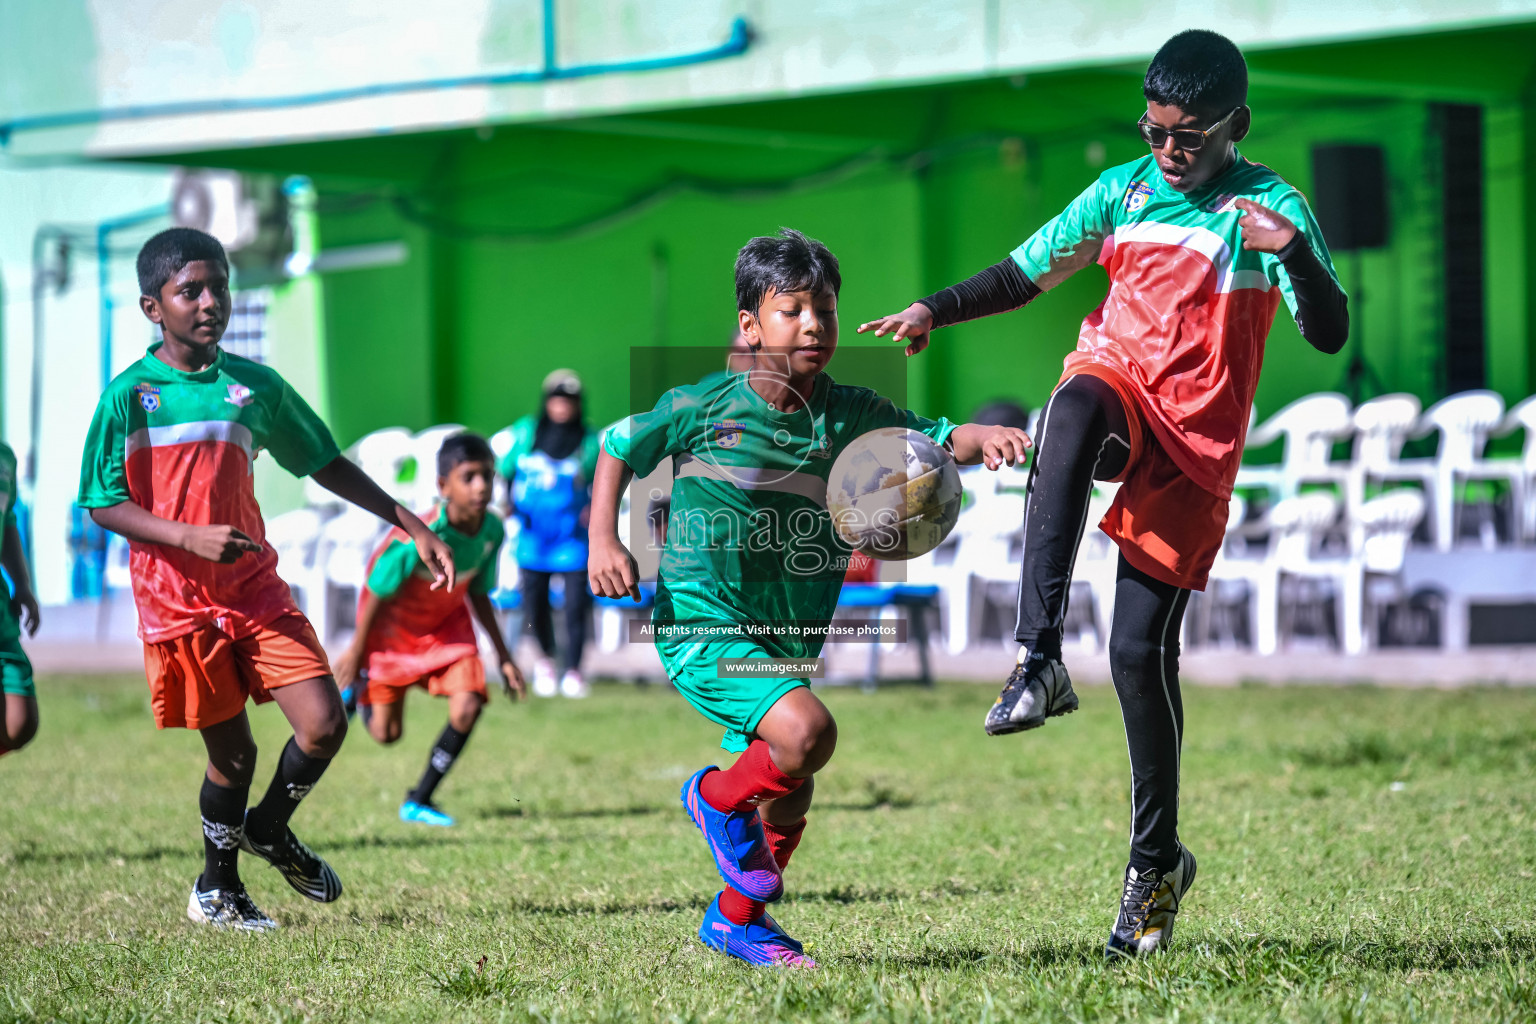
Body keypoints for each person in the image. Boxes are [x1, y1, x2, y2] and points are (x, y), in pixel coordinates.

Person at [859, 30, 1347, 958]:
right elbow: (1024, 271)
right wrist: (934, 307)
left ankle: (1155, 862)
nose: (1169, 149)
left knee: (1135, 653)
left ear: (1235, 125)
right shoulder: (1122, 190)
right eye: (1156, 129)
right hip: (1121, 389)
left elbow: (1328, 331)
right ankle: (1037, 654)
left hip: (1194, 449)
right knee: (1074, 402)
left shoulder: (1270, 208)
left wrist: (1298, 256)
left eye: (1189, 135)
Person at [589, 228, 1030, 968]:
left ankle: (738, 922)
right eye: (791, 309)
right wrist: (605, 539)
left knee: (791, 793)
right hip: (702, 620)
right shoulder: (701, 404)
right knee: (807, 736)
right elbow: (616, 445)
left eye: (823, 308)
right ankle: (710, 797)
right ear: (749, 326)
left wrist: (980, 435)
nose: (813, 325)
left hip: (788, 631)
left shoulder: (850, 411)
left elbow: (929, 440)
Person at [77, 227, 456, 931]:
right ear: (151, 307)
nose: (210, 301)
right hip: (179, 604)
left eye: (218, 285)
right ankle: (217, 890)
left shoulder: (255, 388)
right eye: (189, 290)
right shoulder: (128, 397)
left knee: (323, 724)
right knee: (236, 753)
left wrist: (410, 520)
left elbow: (324, 461)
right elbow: (102, 502)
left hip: (254, 591)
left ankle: (270, 829)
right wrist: (186, 536)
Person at [334, 432, 525, 827]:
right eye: (469, 476)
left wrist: (504, 657)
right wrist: (356, 651)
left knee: (469, 703)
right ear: (443, 486)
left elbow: (478, 591)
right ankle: (363, 691)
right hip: (392, 636)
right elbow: (375, 591)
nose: (482, 486)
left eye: (488, 476)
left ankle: (419, 799)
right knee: (387, 735)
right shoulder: (417, 534)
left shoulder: (492, 530)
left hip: (445, 629)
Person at [499, 370, 601, 699]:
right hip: (533, 539)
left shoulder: (587, 440)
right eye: (557, 400)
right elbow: (505, 471)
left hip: (570, 538)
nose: (562, 407)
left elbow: (600, 479)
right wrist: (508, 503)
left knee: (574, 606)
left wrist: (593, 510)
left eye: (569, 401)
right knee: (535, 605)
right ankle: (545, 660)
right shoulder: (527, 432)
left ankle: (573, 669)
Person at [0, 439, 40, 758]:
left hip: (1, 609)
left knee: (20, 722)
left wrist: (22, 584)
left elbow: (7, 521)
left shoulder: (4, 457)